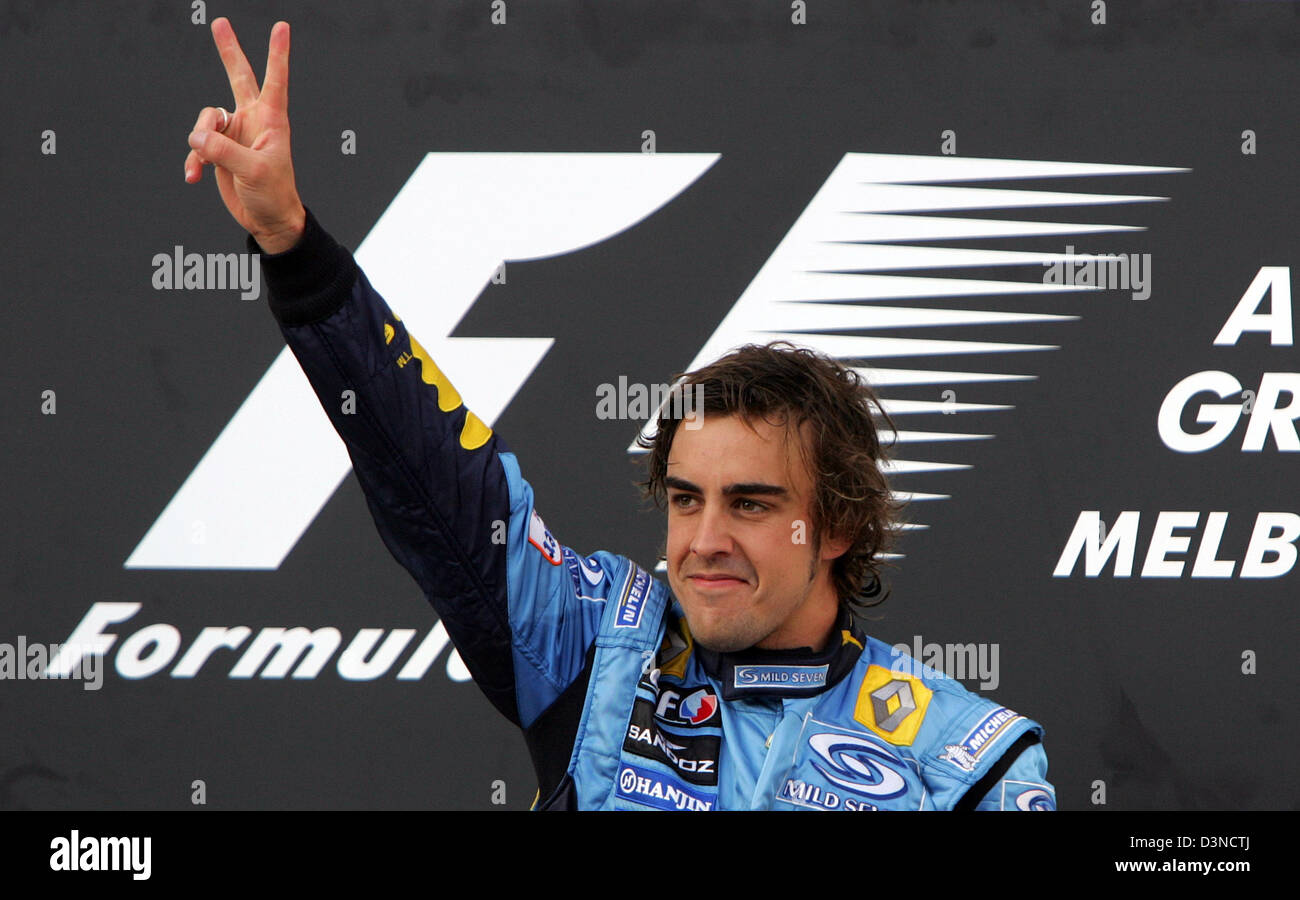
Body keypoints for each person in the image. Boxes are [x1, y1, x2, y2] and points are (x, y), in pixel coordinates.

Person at [184, 17, 1055, 810]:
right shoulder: (596, 649)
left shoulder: (964, 763)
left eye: (750, 503)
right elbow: (433, 475)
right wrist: (294, 246)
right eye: (685, 499)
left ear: (836, 527)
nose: (703, 539)